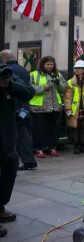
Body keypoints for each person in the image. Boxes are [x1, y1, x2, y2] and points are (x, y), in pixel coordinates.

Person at [0, 63, 35, 237]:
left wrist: (9, 85)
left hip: (7, 133)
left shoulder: (7, 73)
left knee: (10, 166)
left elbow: (29, 92)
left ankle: (1, 206)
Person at [1, 50, 38, 171]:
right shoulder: (22, 69)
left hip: (16, 108)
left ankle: (27, 160)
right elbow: (29, 89)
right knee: (24, 131)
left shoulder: (8, 70)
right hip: (24, 107)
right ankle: (29, 160)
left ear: (4, 58)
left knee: (21, 133)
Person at [29, 56, 66, 159]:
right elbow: (29, 87)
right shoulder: (34, 74)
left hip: (54, 107)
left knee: (54, 128)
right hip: (39, 107)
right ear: (42, 64)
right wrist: (42, 88)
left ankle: (52, 147)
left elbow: (64, 88)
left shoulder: (58, 74)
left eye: (51, 64)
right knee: (39, 129)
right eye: (48, 64)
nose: (50, 66)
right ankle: (39, 149)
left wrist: (58, 83)